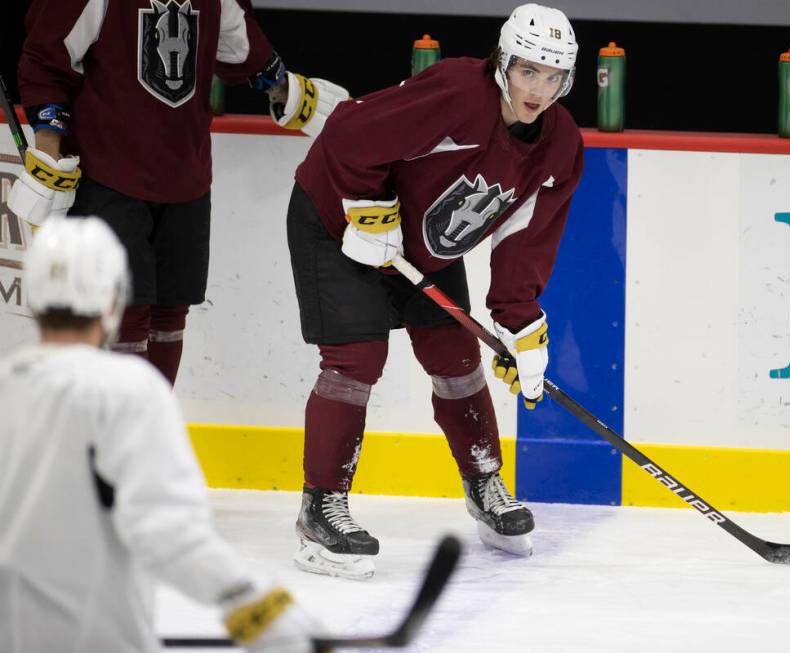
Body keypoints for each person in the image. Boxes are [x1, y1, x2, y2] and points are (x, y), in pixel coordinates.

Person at [285, 3, 584, 579]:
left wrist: (520, 320)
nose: (538, 89)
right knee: (356, 360)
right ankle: (320, 509)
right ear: (503, 62)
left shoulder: (560, 146)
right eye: (528, 71)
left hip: (423, 247)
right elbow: (347, 129)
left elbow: (526, 237)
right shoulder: (455, 92)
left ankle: (483, 483)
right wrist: (366, 206)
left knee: (456, 358)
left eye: (552, 77)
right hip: (336, 218)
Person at [0, 216, 319, 653]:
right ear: (113, 301)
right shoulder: (127, 390)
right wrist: (263, 612)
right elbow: (169, 533)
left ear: (32, 297)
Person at [8, 0, 347, 386]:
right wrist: (48, 148)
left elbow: (242, 49)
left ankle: (153, 429)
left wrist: (285, 89)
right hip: (109, 174)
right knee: (126, 312)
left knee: (171, 312)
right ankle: (125, 438)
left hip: (186, 175)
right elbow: (47, 58)